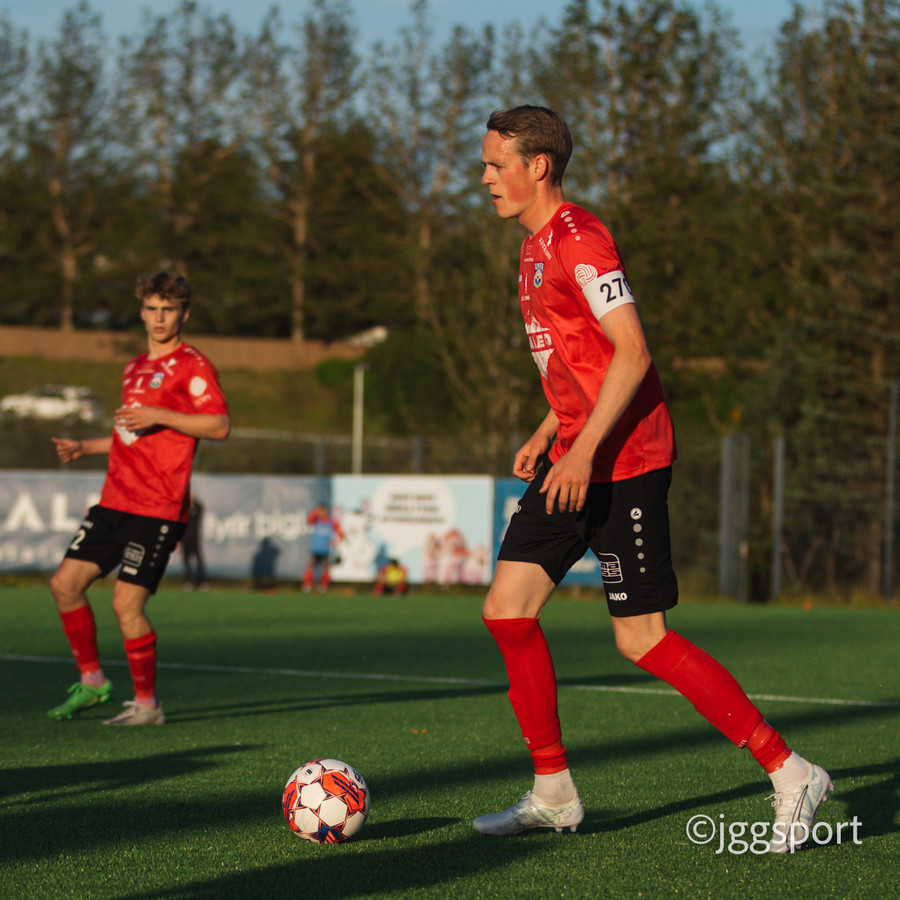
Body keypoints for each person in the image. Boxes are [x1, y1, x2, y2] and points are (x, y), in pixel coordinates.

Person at [473, 106, 830, 853]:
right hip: (575, 452)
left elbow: (632, 353)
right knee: (507, 611)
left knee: (641, 640)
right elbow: (581, 361)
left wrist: (581, 450)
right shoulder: (531, 248)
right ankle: (554, 793)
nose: (485, 179)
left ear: (538, 165)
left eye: (495, 164)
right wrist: (549, 429)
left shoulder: (580, 238)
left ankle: (791, 771)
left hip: (626, 458)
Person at [47, 271, 230, 726]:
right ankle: (93, 681)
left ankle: (147, 705)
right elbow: (130, 435)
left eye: (169, 309)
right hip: (115, 500)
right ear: (142, 311)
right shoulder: (134, 368)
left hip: (157, 507)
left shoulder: (193, 365)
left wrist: (159, 414)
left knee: (125, 604)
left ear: (184, 314)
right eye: (151, 308)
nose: (159, 317)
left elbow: (218, 425)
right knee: (65, 586)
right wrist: (85, 446)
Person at [302, 504, 342, 594]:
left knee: (326, 568)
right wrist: (315, 512)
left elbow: (340, 533)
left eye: (323, 510)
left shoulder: (331, 522)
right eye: (320, 510)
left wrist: (335, 541)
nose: (321, 513)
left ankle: (324, 586)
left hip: (325, 550)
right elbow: (309, 520)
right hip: (315, 549)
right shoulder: (317, 520)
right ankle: (306, 586)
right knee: (310, 567)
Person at [181, 493, 208, 590]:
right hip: (185, 539)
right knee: (186, 561)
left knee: (199, 561)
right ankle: (188, 581)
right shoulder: (184, 511)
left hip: (195, 539)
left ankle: (202, 581)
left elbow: (200, 506)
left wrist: (194, 501)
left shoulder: (197, 509)